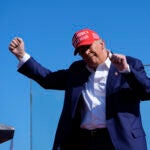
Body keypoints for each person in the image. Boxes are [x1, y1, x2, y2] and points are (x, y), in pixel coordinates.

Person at [8, 28, 150, 150]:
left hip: (121, 140)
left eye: (89, 46)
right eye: (81, 50)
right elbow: (48, 79)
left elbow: (146, 91)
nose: (86, 52)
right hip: (84, 142)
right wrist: (22, 55)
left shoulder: (129, 64)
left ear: (102, 43)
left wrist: (127, 71)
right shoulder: (77, 70)